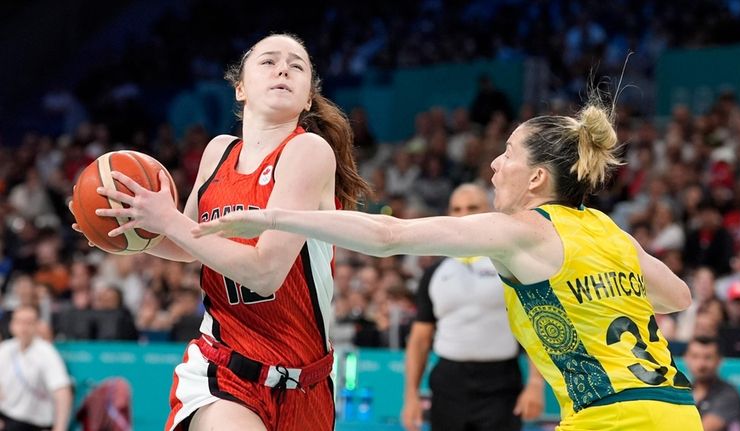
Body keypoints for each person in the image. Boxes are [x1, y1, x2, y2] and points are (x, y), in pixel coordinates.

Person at [193, 94, 703, 430]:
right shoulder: (611, 233)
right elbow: (677, 296)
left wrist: (274, 217)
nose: (495, 164)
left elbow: (388, 235)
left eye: (508, 153)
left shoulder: (521, 230)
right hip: (679, 413)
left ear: (536, 180)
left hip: (611, 419)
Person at [79, 33, 370, 431]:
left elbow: (266, 270)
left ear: (307, 100)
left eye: (296, 65)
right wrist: (127, 230)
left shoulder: (309, 151)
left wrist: (168, 220)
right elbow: (191, 243)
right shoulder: (218, 152)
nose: (283, 67)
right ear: (240, 89)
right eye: (268, 61)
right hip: (223, 370)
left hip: (306, 385)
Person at [402, 184, 544, 431]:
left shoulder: (511, 266)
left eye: (472, 207)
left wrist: (535, 383)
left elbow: (535, 326)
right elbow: (419, 340)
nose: (464, 214)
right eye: (457, 209)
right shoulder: (434, 274)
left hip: (501, 382)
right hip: (449, 382)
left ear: (488, 210)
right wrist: (411, 395)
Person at [0, 305, 72, 431]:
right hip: (7, 416)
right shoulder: (5, 349)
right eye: (19, 321)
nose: (23, 327)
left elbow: (62, 392)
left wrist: (60, 428)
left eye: (29, 322)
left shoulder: (46, 352)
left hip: (34, 423)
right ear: (11, 324)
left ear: (37, 325)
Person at [683, 336, 740, 431]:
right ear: (686, 358)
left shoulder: (729, 394)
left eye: (708, 357)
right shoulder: (682, 392)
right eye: (695, 356)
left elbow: (703, 429)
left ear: (719, 360)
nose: (701, 364)